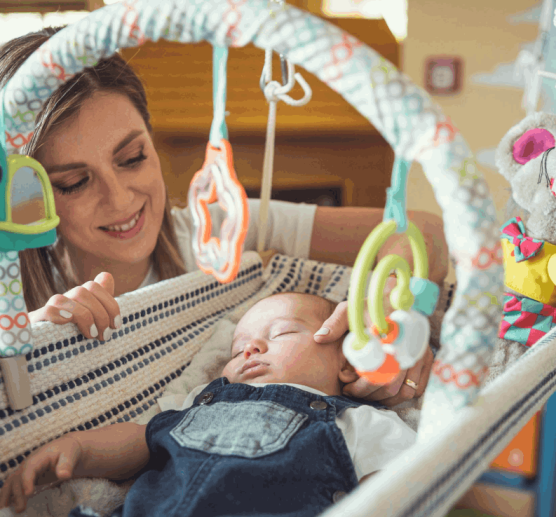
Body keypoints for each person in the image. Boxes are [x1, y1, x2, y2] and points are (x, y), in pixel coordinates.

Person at [1, 27, 448, 407]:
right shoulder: (12, 290)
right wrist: (31, 343)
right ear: (23, 196)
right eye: (74, 183)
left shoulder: (220, 231)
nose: (119, 199)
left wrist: (396, 305)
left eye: (133, 157)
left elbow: (423, 230)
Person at [0, 292, 417, 517]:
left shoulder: (357, 420)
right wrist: (77, 448)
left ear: (346, 364)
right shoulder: (203, 398)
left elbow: (406, 478)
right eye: (238, 348)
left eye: (281, 334)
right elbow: (142, 439)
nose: (250, 350)